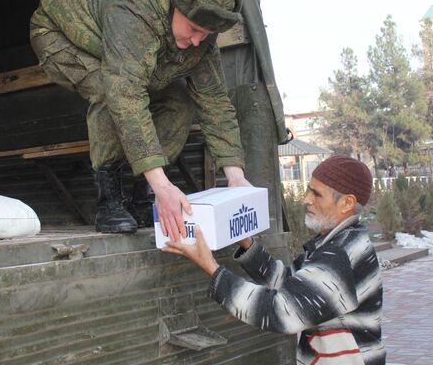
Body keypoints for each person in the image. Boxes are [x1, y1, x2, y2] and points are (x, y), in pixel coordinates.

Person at [29, 0, 250, 237]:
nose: (196, 41)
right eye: (193, 29)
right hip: (58, 33)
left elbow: (214, 100)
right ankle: (109, 199)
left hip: (119, 45)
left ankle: (144, 197)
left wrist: (235, 175)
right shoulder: (133, 10)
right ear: (174, 6)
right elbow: (126, 95)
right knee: (107, 88)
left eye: (205, 34)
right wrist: (163, 184)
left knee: (179, 101)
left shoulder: (201, 37)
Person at [164, 155, 386, 364]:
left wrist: (212, 268)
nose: (306, 199)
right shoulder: (342, 240)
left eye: (316, 194)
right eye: (309, 190)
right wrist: (247, 245)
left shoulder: (340, 255)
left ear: (347, 203)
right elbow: (291, 283)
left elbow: (281, 312)